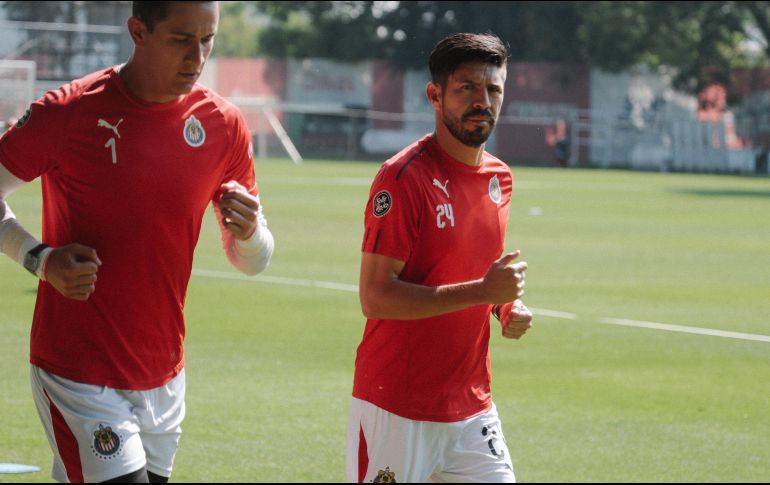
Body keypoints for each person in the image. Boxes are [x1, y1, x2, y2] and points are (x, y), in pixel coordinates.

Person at [0, 2, 274, 482]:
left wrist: (249, 235)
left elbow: (252, 261)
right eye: (180, 39)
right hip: (77, 369)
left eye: (207, 40)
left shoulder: (223, 125)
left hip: (163, 374)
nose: (197, 56)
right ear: (138, 32)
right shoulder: (67, 112)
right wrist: (38, 258)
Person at [346, 33, 534, 483]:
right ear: (435, 95)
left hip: (472, 407)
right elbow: (375, 297)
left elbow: (474, 274)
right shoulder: (402, 177)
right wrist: (483, 291)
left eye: (493, 90)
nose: (482, 101)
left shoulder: (500, 179)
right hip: (398, 405)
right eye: (467, 88)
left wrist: (504, 305)